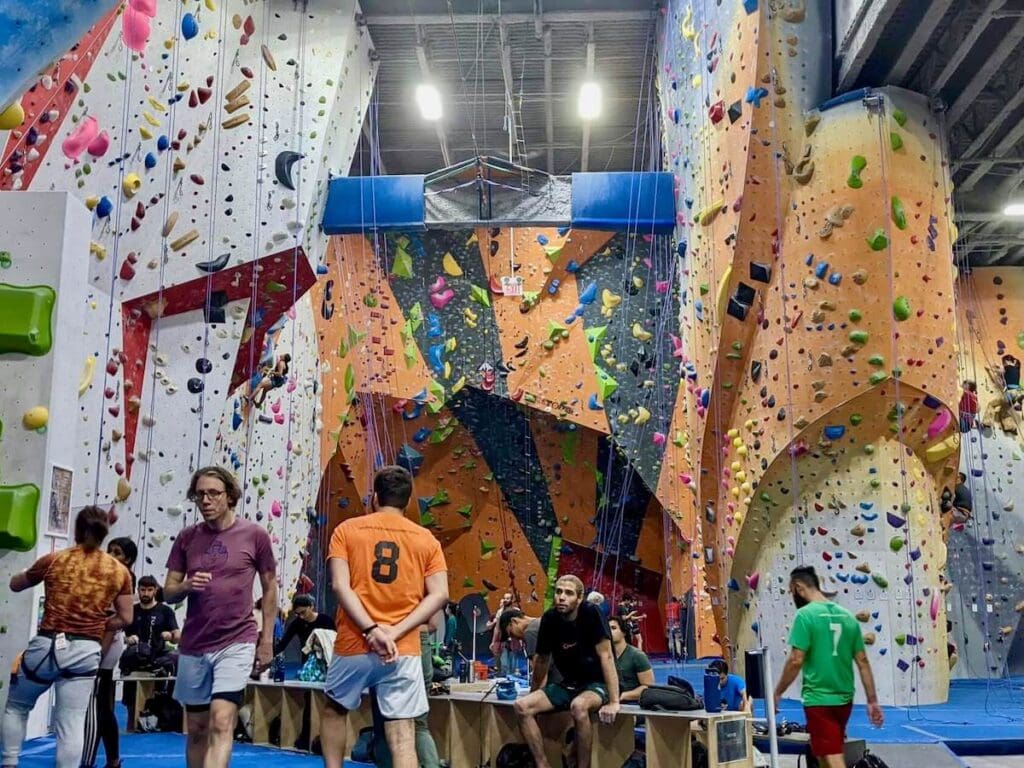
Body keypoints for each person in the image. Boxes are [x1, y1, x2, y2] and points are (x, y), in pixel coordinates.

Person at [322, 465, 448, 768]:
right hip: (402, 648)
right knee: (403, 729)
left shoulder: (347, 530)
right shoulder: (426, 539)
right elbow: (440, 594)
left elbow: (340, 586)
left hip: (355, 642)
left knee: (335, 710)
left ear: (375, 497)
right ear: (406, 500)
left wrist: (372, 629)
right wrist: (394, 631)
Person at [1, 506, 133, 768]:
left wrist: (23, 572)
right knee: (71, 721)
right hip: (86, 651)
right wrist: (101, 622)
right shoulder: (119, 572)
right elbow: (126, 618)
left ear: (76, 529)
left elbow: (16, 585)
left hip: (47, 644)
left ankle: (9, 761)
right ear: (105, 533)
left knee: (17, 706)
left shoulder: (55, 560)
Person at [164, 466, 278, 768]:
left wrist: (266, 640)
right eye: (200, 494)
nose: (206, 500)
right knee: (198, 729)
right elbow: (168, 592)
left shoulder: (255, 536)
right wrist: (186, 586)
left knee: (222, 720)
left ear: (230, 497)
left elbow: (269, 589)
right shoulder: (187, 538)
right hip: (194, 644)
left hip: (236, 640)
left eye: (213, 493)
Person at [773, 566, 883, 768]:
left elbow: (796, 660)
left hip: (819, 700)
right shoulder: (848, 617)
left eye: (791, 591)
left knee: (832, 757)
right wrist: (872, 700)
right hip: (844, 700)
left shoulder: (805, 616)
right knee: (823, 754)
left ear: (798, 587)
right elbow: (863, 662)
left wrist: (778, 692)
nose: (792, 596)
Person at [512, 575, 619, 768]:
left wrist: (614, 702)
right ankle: (542, 764)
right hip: (568, 684)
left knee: (578, 706)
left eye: (568, 593)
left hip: (595, 684)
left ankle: (582, 766)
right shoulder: (550, 618)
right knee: (522, 706)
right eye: (559, 592)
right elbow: (542, 661)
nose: (562, 597)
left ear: (579, 599)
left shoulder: (591, 613)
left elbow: (607, 656)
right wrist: (534, 693)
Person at [81, 536, 138, 768]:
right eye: (110, 550)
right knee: (102, 704)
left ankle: (88, 760)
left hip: (108, 640)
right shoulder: (108, 575)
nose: (111, 556)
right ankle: (112, 760)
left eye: (118, 553)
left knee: (96, 705)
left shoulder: (124, 578)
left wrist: (98, 651)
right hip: (102, 638)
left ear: (129, 560)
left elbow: (116, 620)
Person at [371, 613, 444, 768]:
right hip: (417, 642)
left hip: (389, 643)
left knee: (384, 723)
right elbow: (433, 625)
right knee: (419, 725)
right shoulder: (429, 591)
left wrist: (395, 630)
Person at [120, 575, 180, 675]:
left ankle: (164, 690)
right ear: (138, 590)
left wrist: (170, 636)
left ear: (155, 590)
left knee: (175, 659)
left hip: (158, 658)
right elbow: (118, 636)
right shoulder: (131, 611)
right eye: (143, 590)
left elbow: (177, 637)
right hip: (135, 657)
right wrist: (128, 639)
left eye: (149, 590)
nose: (146, 593)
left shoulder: (165, 611)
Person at [500, 609, 561, 686]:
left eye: (511, 633)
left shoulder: (530, 632)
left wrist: (535, 693)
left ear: (514, 621)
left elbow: (539, 671)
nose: (514, 638)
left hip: (557, 681)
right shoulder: (542, 621)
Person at [275, 594, 334, 662]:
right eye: (298, 614)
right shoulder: (297, 623)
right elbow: (283, 643)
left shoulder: (326, 620)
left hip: (326, 659)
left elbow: (335, 640)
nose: (301, 617)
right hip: (307, 662)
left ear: (311, 606)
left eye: (303, 612)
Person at [607, 616, 653, 702]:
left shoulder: (637, 656)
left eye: (613, 628)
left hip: (632, 705)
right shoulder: (605, 656)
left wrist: (623, 696)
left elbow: (648, 687)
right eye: (607, 628)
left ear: (623, 632)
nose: (609, 631)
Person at [486, 592, 517, 676]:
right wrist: (493, 641)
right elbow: (497, 628)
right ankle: (505, 678)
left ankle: (512, 678)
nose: (505, 600)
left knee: (513, 661)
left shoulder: (516, 611)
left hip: (514, 640)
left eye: (508, 598)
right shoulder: (500, 612)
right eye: (505, 598)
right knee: (504, 662)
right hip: (503, 640)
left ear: (511, 600)